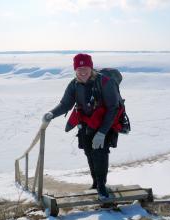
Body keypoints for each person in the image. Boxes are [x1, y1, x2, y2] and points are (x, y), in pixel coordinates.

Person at [42, 53, 121, 199]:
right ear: (75, 70)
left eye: (85, 68)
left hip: (104, 123)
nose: (82, 71)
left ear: (91, 67)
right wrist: (51, 114)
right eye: (79, 69)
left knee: (100, 153)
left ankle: (102, 186)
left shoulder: (105, 82)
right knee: (89, 152)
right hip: (85, 124)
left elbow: (113, 108)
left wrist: (102, 132)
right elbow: (65, 104)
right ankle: (95, 183)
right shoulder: (74, 84)